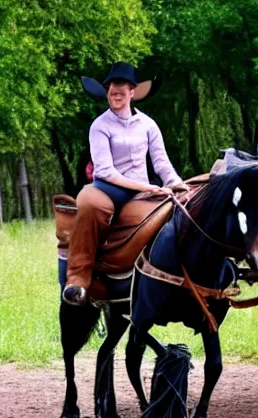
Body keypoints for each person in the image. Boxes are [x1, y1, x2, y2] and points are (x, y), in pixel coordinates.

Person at [62, 62, 188, 306]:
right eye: (111, 88)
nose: (115, 92)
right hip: (109, 188)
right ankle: (77, 278)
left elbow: (161, 163)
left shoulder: (148, 125)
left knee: (177, 212)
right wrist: (147, 188)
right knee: (88, 202)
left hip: (142, 190)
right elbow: (106, 170)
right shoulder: (99, 125)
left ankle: (173, 276)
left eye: (121, 87)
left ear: (132, 91)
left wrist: (176, 184)